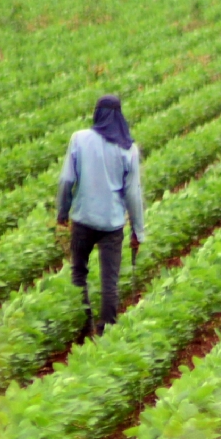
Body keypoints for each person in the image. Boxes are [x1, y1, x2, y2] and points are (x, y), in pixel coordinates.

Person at [57, 94, 145, 337]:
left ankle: (84, 328)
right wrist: (138, 230)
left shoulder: (79, 139)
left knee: (79, 273)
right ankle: (106, 330)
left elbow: (66, 179)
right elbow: (133, 194)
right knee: (110, 280)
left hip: (82, 219)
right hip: (112, 223)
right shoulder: (128, 148)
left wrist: (62, 212)